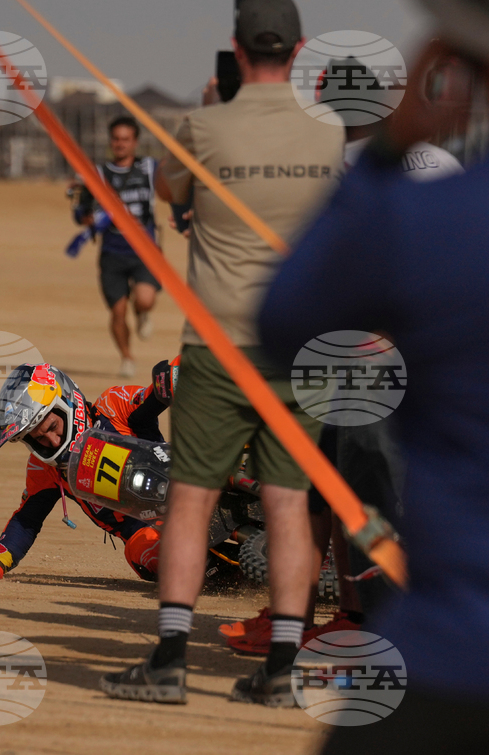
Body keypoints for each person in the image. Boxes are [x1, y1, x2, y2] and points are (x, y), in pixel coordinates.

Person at [100, 0, 345, 707]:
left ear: (236, 53)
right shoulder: (328, 134)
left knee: (190, 500)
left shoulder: (203, 127)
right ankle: (282, 666)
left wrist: (209, 115)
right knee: (290, 503)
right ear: (298, 54)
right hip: (300, 347)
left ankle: (171, 657)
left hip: (216, 344)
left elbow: (172, 199)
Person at [259, 2, 489, 746]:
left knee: (367, 482)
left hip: (453, 650)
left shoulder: (427, 214)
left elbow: (284, 316)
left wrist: (386, 155)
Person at [223, 57, 467, 655]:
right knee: (381, 493)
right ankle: (339, 616)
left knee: (332, 493)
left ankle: (344, 619)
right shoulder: (445, 164)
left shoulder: (344, 172)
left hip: (354, 361)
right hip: (430, 361)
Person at [0, 361, 175, 582]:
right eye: (40, 438)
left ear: (68, 403)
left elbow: (154, 398)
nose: (52, 440)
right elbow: (27, 519)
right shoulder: (45, 468)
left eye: (52, 427)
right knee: (145, 551)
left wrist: (169, 381)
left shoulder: (112, 406)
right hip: (146, 534)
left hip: (185, 483)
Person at [72, 116, 160, 379]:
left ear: (135, 142)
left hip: (145, 251)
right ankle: (127, 357)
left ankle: (142, 313)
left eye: (126, 139)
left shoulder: (149, 169)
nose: (120, 144)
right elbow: (81, 211)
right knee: (117, 311)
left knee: (145, 299)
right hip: (112, 253)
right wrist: (84, 217)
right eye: (116, 139)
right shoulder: (98, 175)